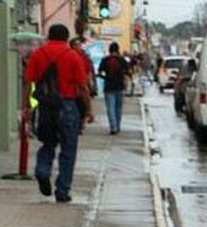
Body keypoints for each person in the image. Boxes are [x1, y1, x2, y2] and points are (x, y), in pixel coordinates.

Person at [23, 24, 94, 203]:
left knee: (47, 143)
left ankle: (43, 170)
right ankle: (62, 190)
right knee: (68, 149)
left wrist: (27, 107)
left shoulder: (38, 54)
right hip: (67, 105)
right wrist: (88, 109)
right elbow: (82, 86)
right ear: (66, 38)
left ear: (49, 36)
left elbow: (29, 83)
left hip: (45, 106)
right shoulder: (72, 55)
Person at [98, 42, 130, 135]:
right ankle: (118, 126)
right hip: (120, 86)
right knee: (118, 108)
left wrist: (106, 77)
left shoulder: (105, 60)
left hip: (108, 86)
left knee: (110, 108)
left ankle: (113, 127)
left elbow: (100, 72)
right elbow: (128, 72)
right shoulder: (122, 60)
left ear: (109, 50)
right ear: (118, 49)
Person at [69, 37, 95, 133]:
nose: (79, 46)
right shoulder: (69, 56)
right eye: (76, 45)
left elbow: (88, 71)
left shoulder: (84, 57)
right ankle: (76, 124)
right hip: (71, 86)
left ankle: (80, 124)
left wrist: (90, 82)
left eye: (79, 45)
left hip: (82, 84)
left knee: (82, 106)